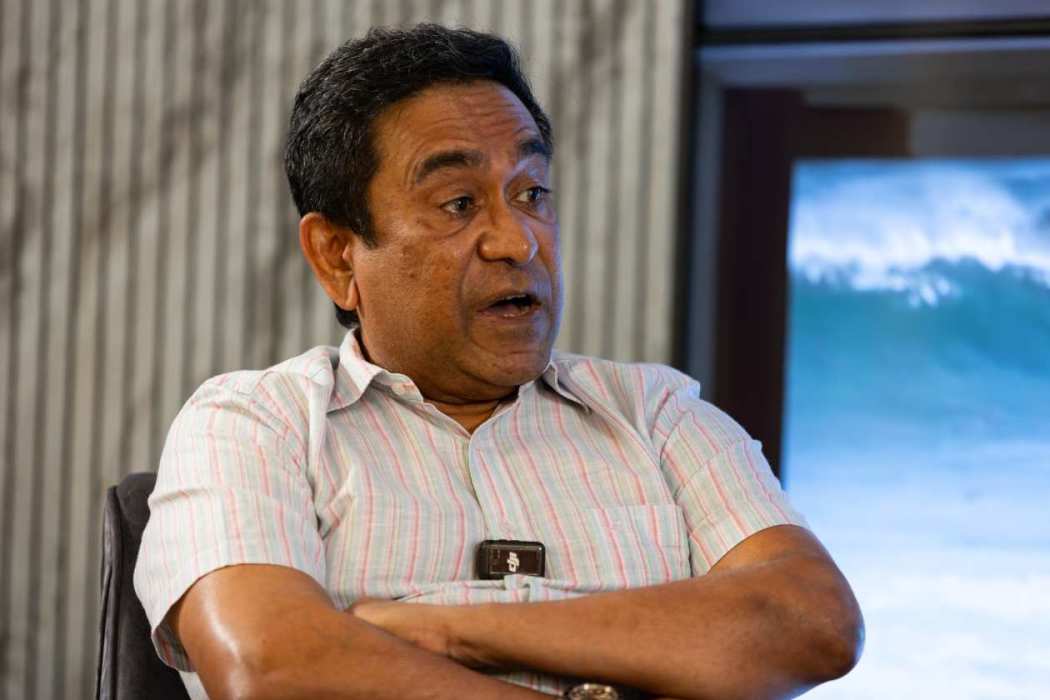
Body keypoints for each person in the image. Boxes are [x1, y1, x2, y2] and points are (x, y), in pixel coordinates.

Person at [134, 24, 863, 700]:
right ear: (337, 255)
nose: (518, 241)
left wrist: (450, 630)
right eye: (457, 203)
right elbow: (269, 664)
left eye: (532, 193)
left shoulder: (656, 415)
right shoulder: (255, 424)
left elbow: (814, 621)